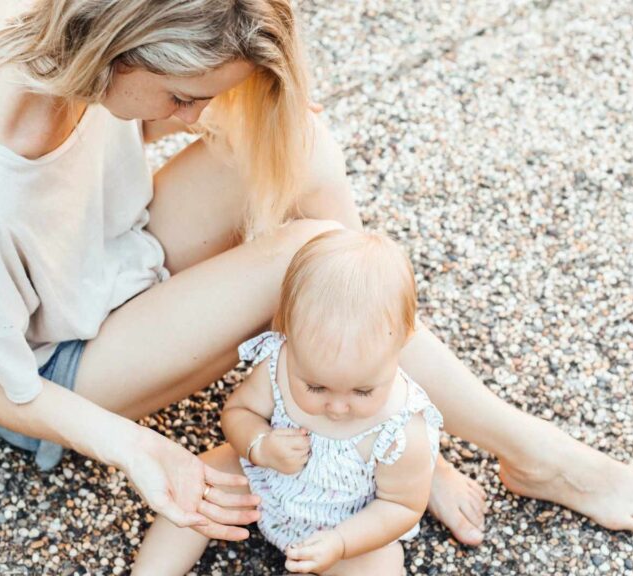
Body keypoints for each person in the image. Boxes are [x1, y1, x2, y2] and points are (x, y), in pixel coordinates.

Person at [0, 0, 633, 556]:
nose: (190, 118)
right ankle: (517, 448)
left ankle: (384, 421)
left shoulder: (70, 25)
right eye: (182, 95)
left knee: (297, 139)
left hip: (111, 253)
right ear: (113, 51)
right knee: (308, 254)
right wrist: (138, 450)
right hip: (57, 369)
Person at [137, 229, 443, 575]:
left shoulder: (401, 431)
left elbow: (400, 507)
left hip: (348, 526)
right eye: (315, 387)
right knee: (200, 481)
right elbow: (240, 411)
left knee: (380, 567)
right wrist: (258, 445)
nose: (338, 408)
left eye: (362, 392)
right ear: (288, 336)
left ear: (402, 342)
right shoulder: (278, 363)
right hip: (264, 480)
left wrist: (340, 542)